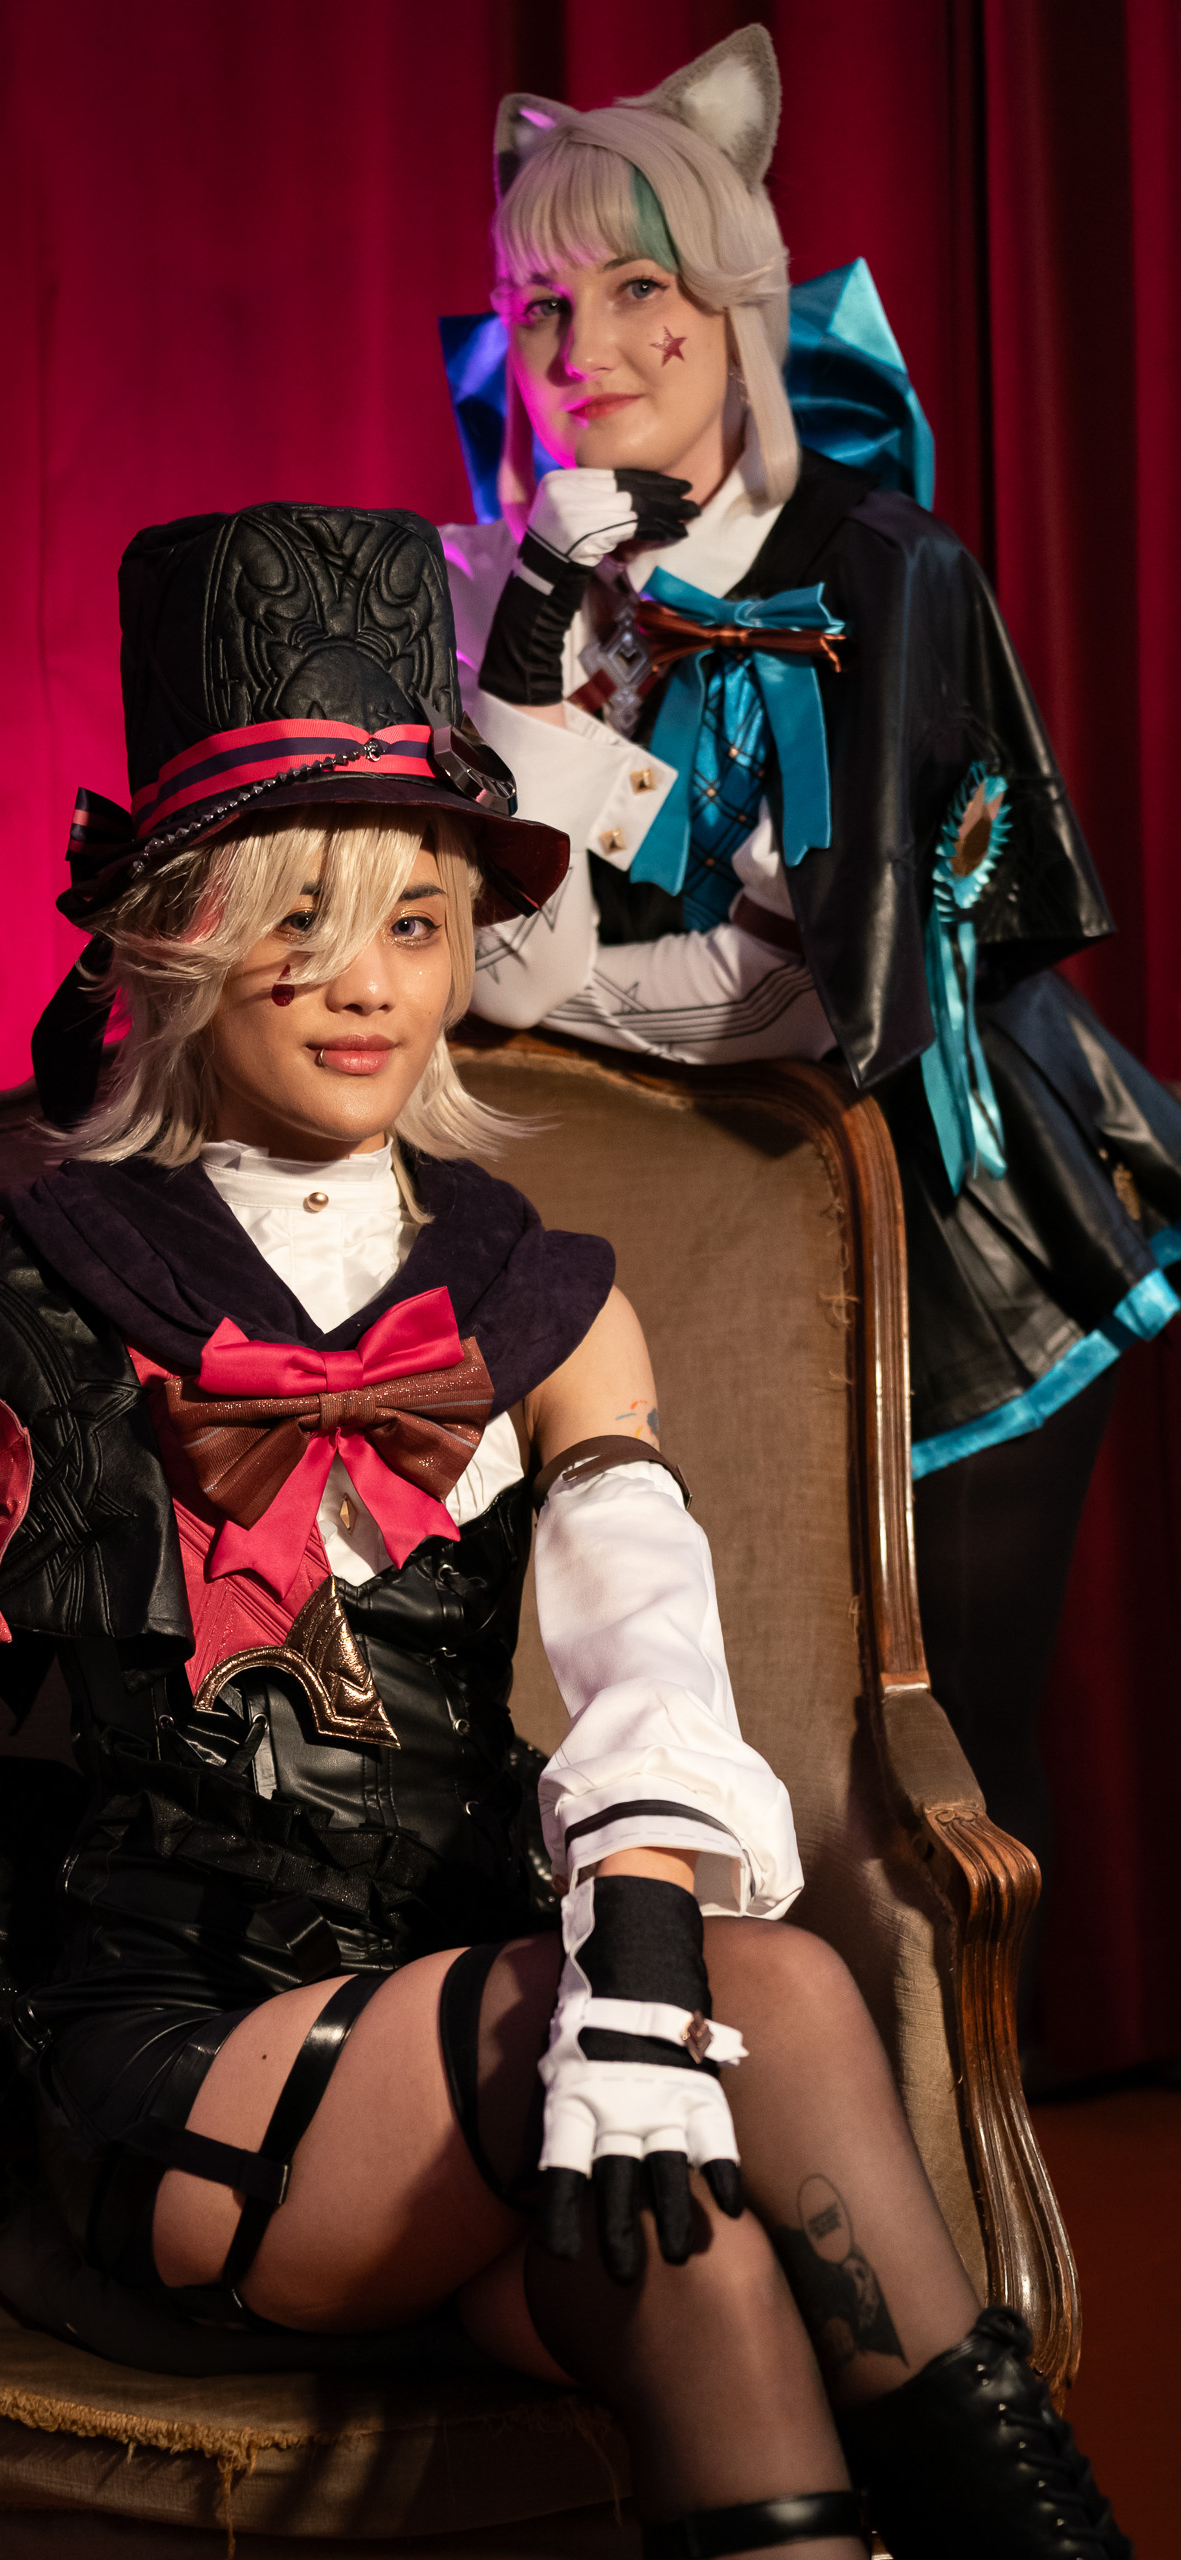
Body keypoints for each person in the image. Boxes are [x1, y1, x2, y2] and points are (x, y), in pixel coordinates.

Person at [0, 503, 1128, 2560]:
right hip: (185, 2087)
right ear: (174, 943)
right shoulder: (30, 1301)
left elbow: (644, 1646)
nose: (366, 986)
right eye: (298, 922)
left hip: (484, 2018)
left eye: (417, 923)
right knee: (782, 2007)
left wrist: (632, 1953)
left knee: (708, 2270)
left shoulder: (533, 1294)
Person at [441, 28, 1181, 2050]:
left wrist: (562, 918)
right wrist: (533, 646)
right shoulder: (518, 582)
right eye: (539, 304)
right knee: (691, 1743)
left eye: (637, 290)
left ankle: (963, 2167)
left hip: (950, 1231)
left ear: (738, 304)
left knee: (933, 1770)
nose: (581, 346)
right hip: (679, 1246)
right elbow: (507, 976)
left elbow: (803, 995)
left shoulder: (877, 566)